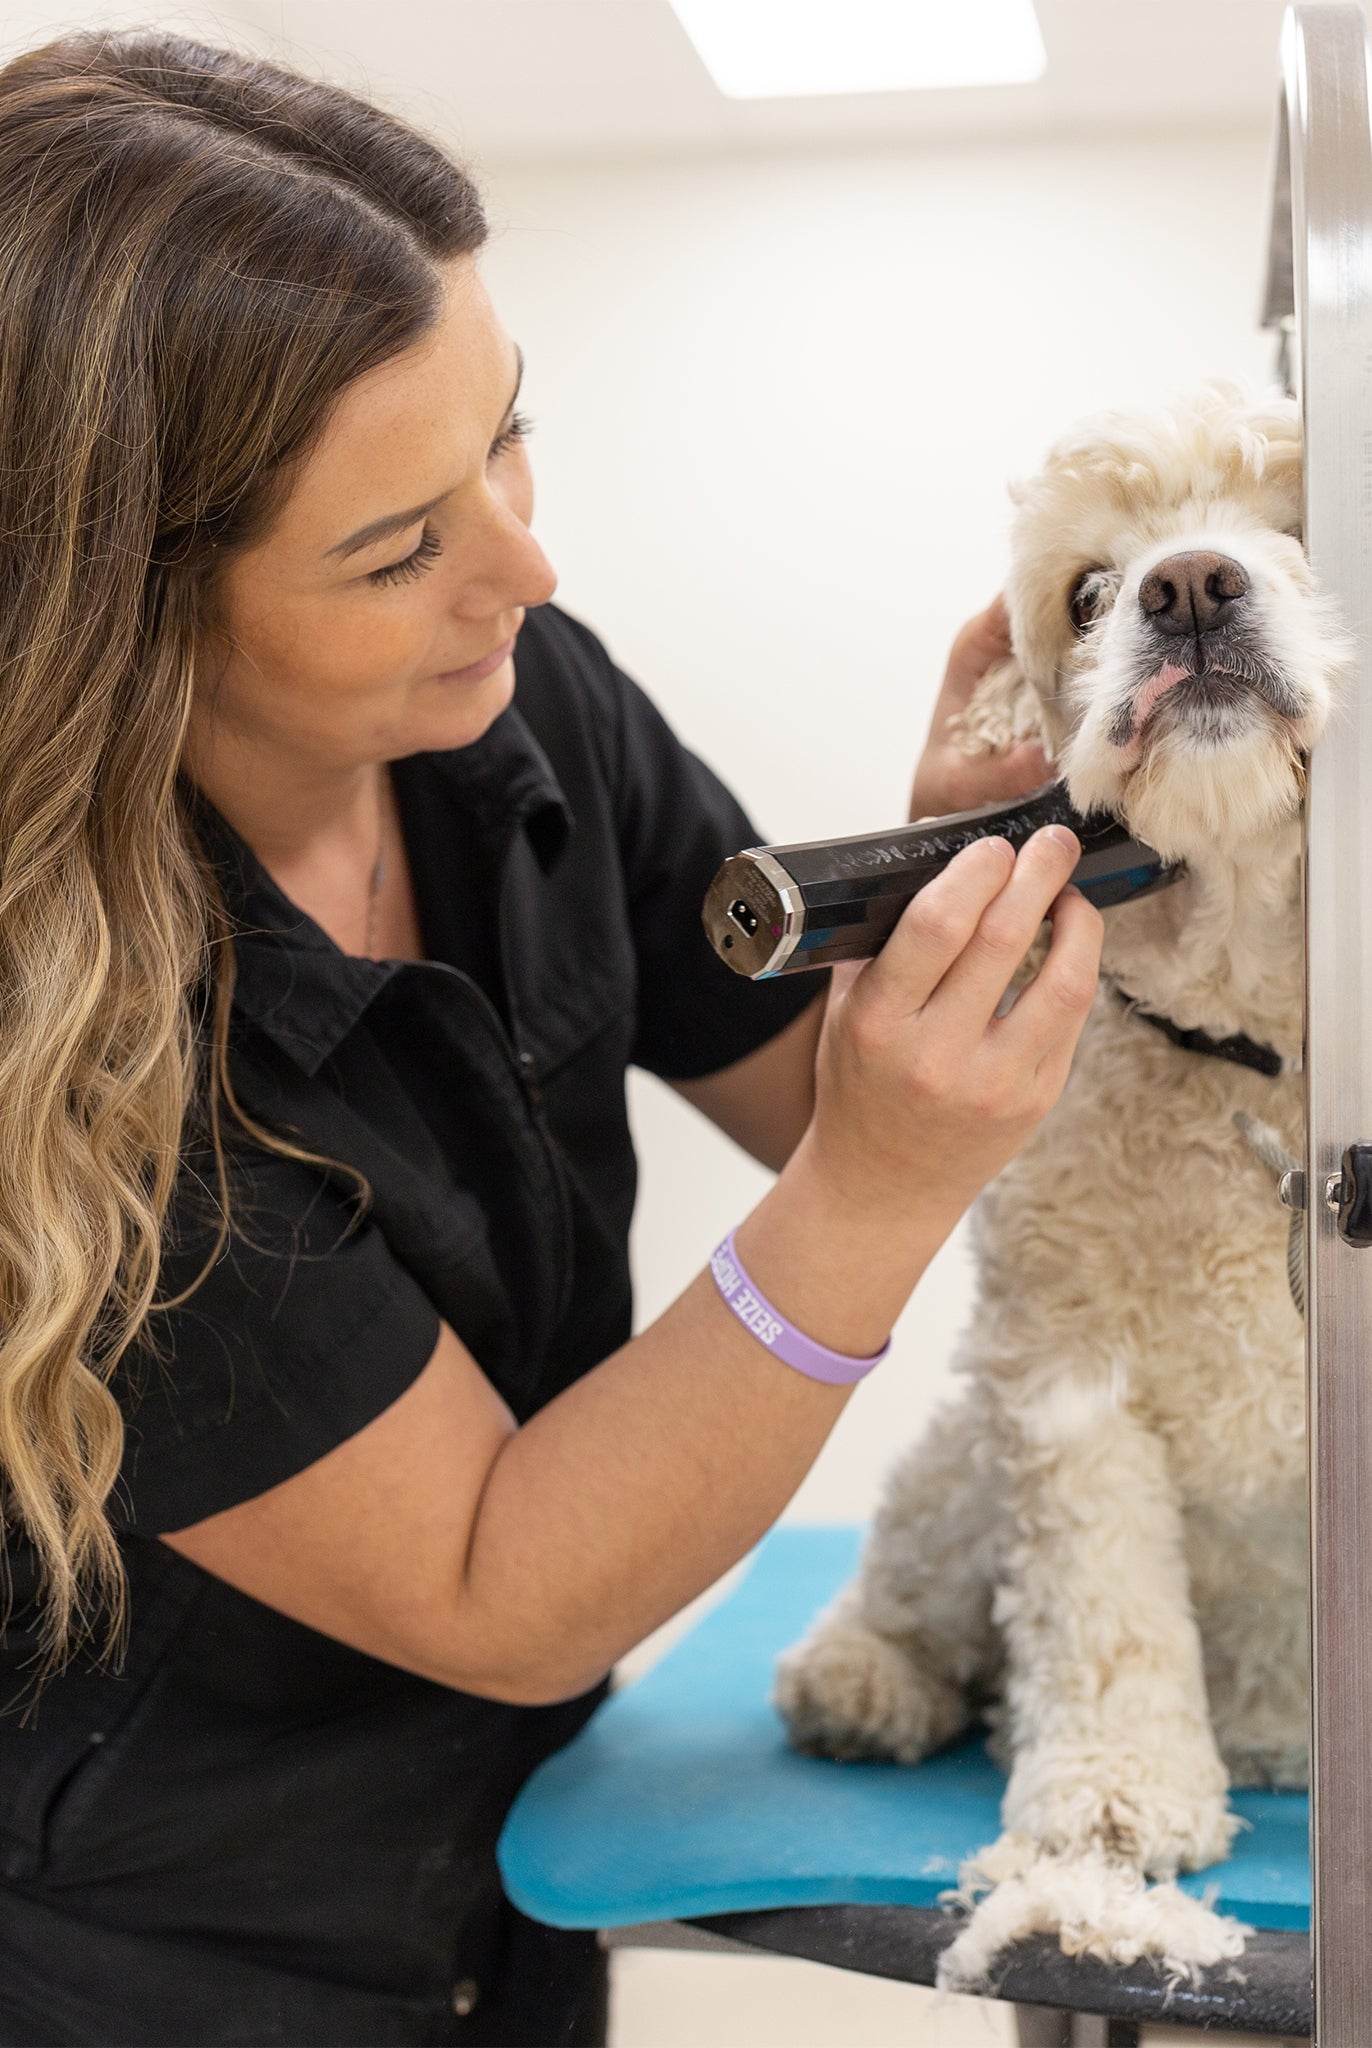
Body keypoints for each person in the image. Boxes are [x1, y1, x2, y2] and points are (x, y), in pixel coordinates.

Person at [0, 26, 1100, 2048]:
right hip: (167, 1966)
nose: (524, 563)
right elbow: (503, 1584)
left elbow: (805, 1086)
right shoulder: (59, 1040)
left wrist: (945, 889)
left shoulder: (516, 701)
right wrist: (876, 1190)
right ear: (116, 616)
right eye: (394, 548)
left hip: (509, 1889)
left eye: (504, 436)